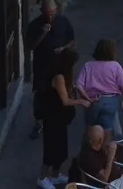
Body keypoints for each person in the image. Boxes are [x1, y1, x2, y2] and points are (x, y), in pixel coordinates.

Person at [37, 49, 89, 189]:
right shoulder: (58, 77)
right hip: (52, 117)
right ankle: (42, 177)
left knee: (60, 148)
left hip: (60, 118)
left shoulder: (64, 75)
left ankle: (55, 175)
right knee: (51, 148)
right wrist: (81, 102)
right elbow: (65, 101)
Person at [26, 0, 76, 140]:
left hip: (61, 66)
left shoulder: (63, 21)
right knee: (40, 94)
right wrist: (42, 34)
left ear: (56, 11)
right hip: (43, 67)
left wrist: (63, 49)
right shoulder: (35, 25)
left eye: (53, 13)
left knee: (62, 92)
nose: (50, 17)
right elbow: (29, 46)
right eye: (48, 14)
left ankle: (60, 117)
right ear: (42, 12)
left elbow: (72, 41)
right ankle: (38, 122)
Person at [75, 39, 123, 141]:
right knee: (107, 130)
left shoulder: (88, 65)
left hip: (92, 101)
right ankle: (104, 153)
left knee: (90, 129)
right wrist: (118, 94)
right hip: (110, 101)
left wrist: (87, 99)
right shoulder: (115, 66)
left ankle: (87, 152)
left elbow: (79, 86)